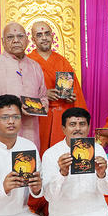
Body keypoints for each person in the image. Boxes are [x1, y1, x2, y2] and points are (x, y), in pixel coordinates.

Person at [0, 22, 48, 149]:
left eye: (20, 36)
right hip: (0, 131)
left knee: (27, 160)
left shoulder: (35, 66)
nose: (16, 40)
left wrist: (37, 107)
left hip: (29, 131)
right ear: (3, 42)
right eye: (10, 37)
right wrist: (10, 108)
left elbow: (43, 97)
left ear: (27, 40)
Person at [27, 21, 87, 153]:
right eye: (39, 35)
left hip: (61, 114)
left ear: (52, 36)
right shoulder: (28, 62)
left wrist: (72, 98)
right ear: (33, 39)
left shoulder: (62, 61)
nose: (44, 38)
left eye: (47, 33)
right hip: (38, 116)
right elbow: (22, 93)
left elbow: (76, 93)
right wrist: (43, 94)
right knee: (37, 152)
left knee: (61, 154)